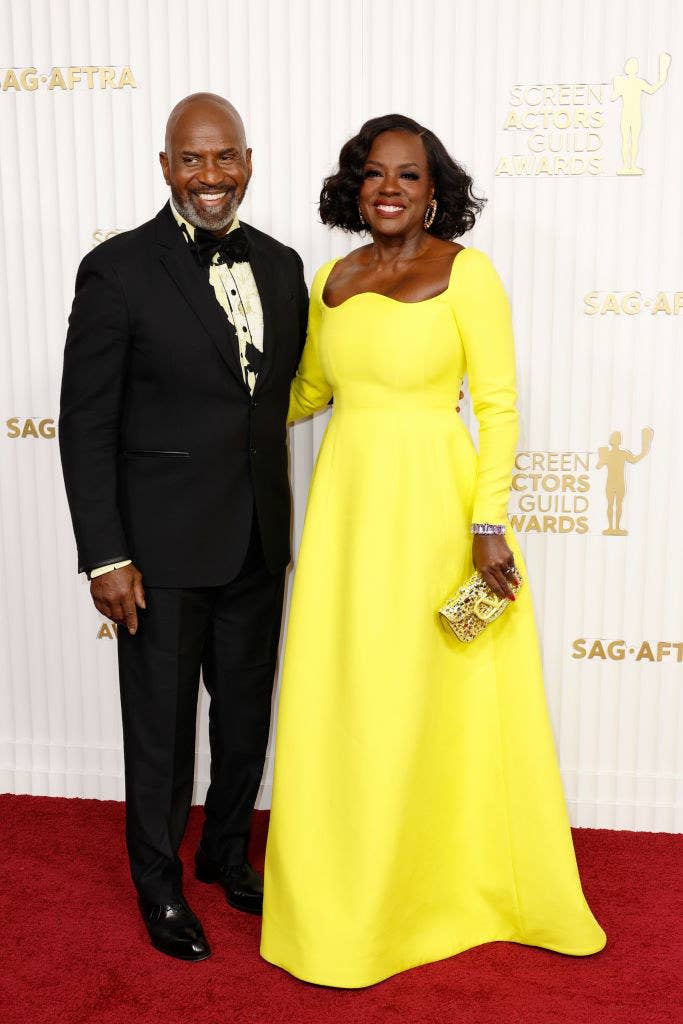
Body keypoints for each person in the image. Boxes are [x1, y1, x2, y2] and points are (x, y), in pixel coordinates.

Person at [261, 114, 606, 987]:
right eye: (374, 173)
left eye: (408, 176)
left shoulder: (468, 274)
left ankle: (451, 891)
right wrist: (209, 411)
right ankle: (350, 893)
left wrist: (487, 525)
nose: (389, 188)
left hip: (435, 514)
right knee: (355, 698)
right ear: (354, 185)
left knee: (429, 697)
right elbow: (306, 390)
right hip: (348, 516)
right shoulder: (329, 279)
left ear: (433, 189)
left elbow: (496, 406)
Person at [59, 93, 308, 961]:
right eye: (193, 160)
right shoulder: (119, 269)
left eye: (226, 157)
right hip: (156, 555)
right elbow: (85, 422)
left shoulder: (280, 266)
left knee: (243, 720)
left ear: (249, 161)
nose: (212, 176)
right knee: (160, 732)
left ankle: (227, 858)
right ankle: (158, 885)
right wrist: (107, 554)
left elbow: (278, 401)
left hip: (254, 545)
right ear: (166, 167)